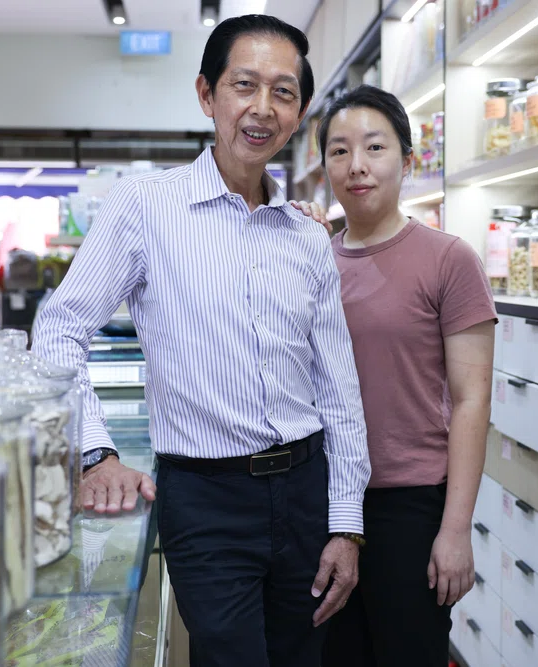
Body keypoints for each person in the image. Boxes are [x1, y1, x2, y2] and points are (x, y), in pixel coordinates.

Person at [32, 15, 371, 667]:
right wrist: (94, 451)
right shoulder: (145, 206)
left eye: (284, 91)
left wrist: (346, 522)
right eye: (245, 85)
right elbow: (59, 329)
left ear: (300, 109)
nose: (262, 108)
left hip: (306, 492)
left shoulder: (306, 235)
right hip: (207, 501)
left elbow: (338, 390)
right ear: (206, 94)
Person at [312, 85, 497, 666]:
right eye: (339, 151)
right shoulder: (309, 260)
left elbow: (471, 400)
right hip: (321, 501)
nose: (357, 166)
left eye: (374, 147)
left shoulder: (449, 259)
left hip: (410, 507)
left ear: (408, 161)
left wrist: (456, 529)